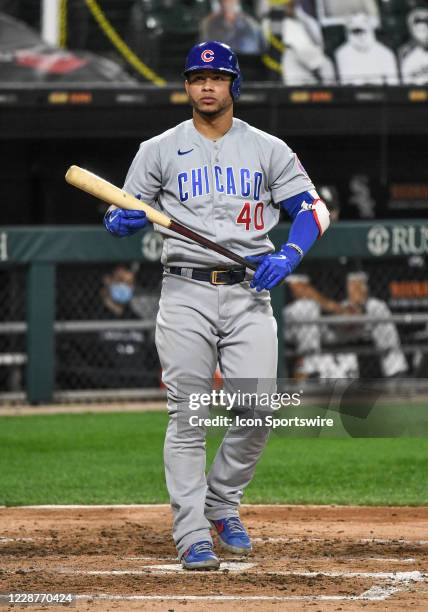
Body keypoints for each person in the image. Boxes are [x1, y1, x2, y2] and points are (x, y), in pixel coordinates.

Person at [103, 40, 330, 570]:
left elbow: (313, 210)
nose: (207, 85)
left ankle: (220, 501)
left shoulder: (269, 148)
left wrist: (292, 252)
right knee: (188, 416)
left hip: (250, 291)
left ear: (233, 86)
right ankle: (191, 535)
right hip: (185, 292)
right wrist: (123, 221)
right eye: (197, 78)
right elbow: (119, 214)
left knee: (258, 409)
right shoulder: (157, 148)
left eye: (218, 77)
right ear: (186, 86)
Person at [335, 13, 399, 85]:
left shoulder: (386, 53)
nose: (360, 36)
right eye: (355, 32)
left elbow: (393, 84)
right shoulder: (342, 54)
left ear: (371, 31)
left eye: (363, 31)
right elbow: (345, 84)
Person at [200, 0, 266, 55]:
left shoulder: (252, 25)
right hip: (218, 68)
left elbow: (262, 53)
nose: (227, 2)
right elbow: (202, 52)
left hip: (247, 67)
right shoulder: (208, 24)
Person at [400, 6, 428, 84]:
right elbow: (405, 83)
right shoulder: (406, 52)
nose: (425, 34)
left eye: (426, 29)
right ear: (413, 31)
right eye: (420, 30)